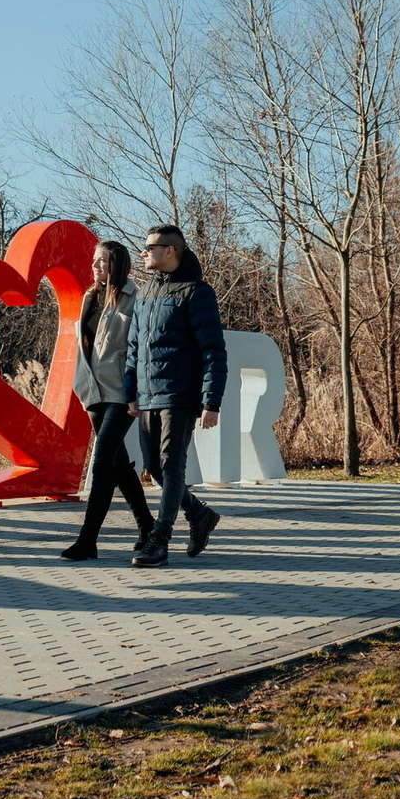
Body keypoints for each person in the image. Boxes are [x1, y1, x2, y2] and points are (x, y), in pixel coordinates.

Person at [124, 224, 228, 568]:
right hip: (148, 395)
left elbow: (213, 351)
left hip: (180, 396)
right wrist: (131, 392)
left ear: (170, 250)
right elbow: (134, 348)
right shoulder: (146, 293)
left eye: (150, 247)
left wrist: (211, 402)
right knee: (154, 467)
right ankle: (199, 515)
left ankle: (159, 539)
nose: (144, 253)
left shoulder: (196, 293)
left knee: (171, 466)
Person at [63, 241, 156, 560]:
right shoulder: (89, 297)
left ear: (118, 263)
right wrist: (79, 382)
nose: (96, 266)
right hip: (92, 391)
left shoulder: (136, 298)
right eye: (94, 261)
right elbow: (85, 346)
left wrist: (135, 391)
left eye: (103, 261)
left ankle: (88, 540)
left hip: (121, 392)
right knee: (118, 464)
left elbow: (142, 350)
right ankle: (148, 526)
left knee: (102, 463)